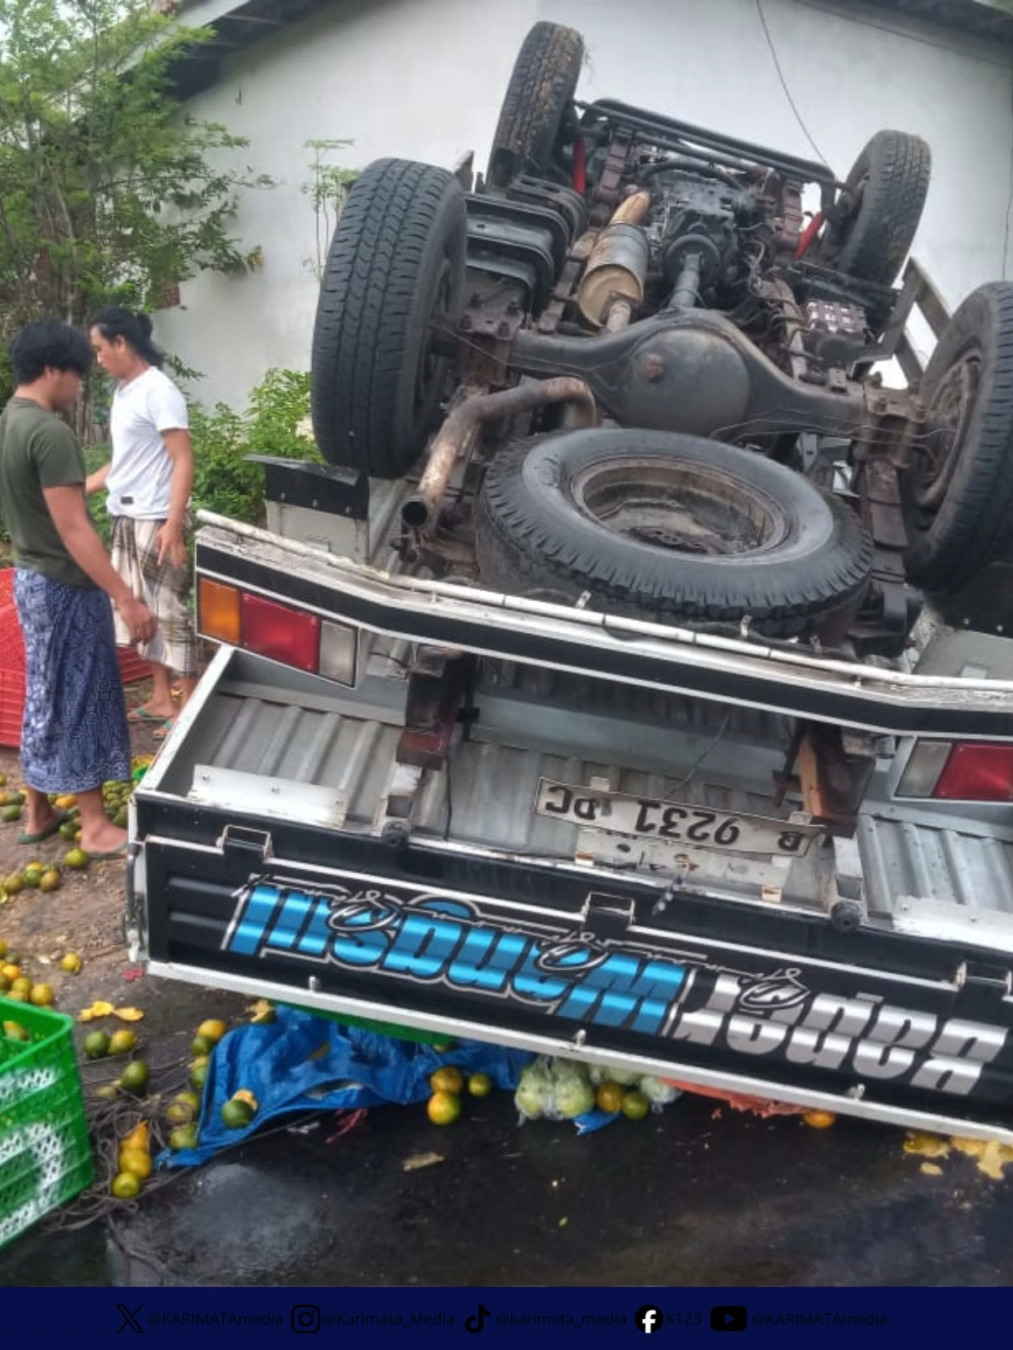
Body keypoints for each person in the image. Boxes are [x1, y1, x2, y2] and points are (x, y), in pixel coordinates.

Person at [0, 320, 157, 856]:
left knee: (44, 690)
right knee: (80, 694)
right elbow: (73, 528)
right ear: (52, 369)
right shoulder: (49, 433)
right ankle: (93, 825)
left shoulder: (9, 419)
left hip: (30, 578)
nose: (80, 385)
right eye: (77, 374)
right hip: (65, 584)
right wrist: (125, 597)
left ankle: (39, 808)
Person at [86, 308, 197, 739]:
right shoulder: (124, 392)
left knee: (169, 611)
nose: (98, 359)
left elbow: (182, 458)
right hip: (126, 517)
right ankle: (161, 697)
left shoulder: (158, 390)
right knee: (139, 612)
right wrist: (80, 488)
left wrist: (173, 523)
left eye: (100, 349)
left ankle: (187, 706)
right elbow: (124, 462)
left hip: (156, 517)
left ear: (121, 343)